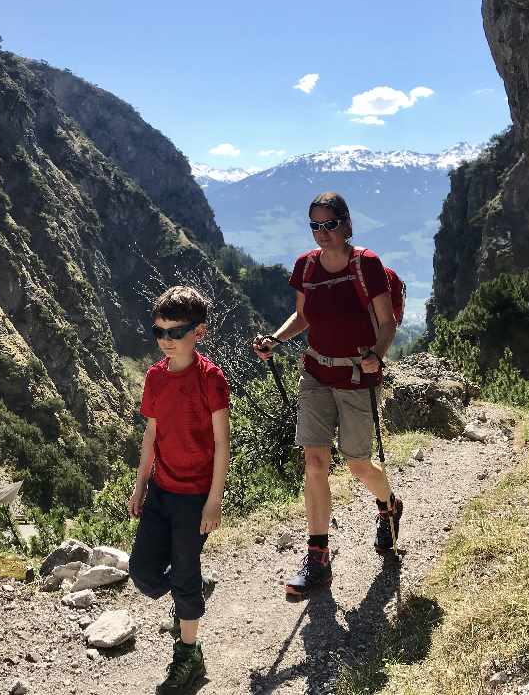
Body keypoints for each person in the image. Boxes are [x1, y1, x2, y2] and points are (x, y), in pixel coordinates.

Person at [252, 191, 403, 600]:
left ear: (346, 224)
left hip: (355, 376)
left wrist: (376, 355)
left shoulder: (366, 265)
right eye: (315, 226)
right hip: (316, 374)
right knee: (315, 462)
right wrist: (276, 339)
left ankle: (388, 504)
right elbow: (303, 316)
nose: (323, 233)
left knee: (357, 464)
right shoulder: (305, 266)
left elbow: (386, 323)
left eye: (330, 224)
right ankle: (318, 556)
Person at [127, 285, 230, 695]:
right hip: (161, 491)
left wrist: (214, 501)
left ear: (199, 332)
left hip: (194, 497)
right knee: (143, 573)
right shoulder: (154, 377)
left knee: (184, 577)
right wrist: (139, 487)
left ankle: (189, 653)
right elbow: (151, 436)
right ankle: (192, 587)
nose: (166, 340)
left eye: (176, 331)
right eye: (159, 332)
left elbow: (223, 443)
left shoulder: (211, 379)